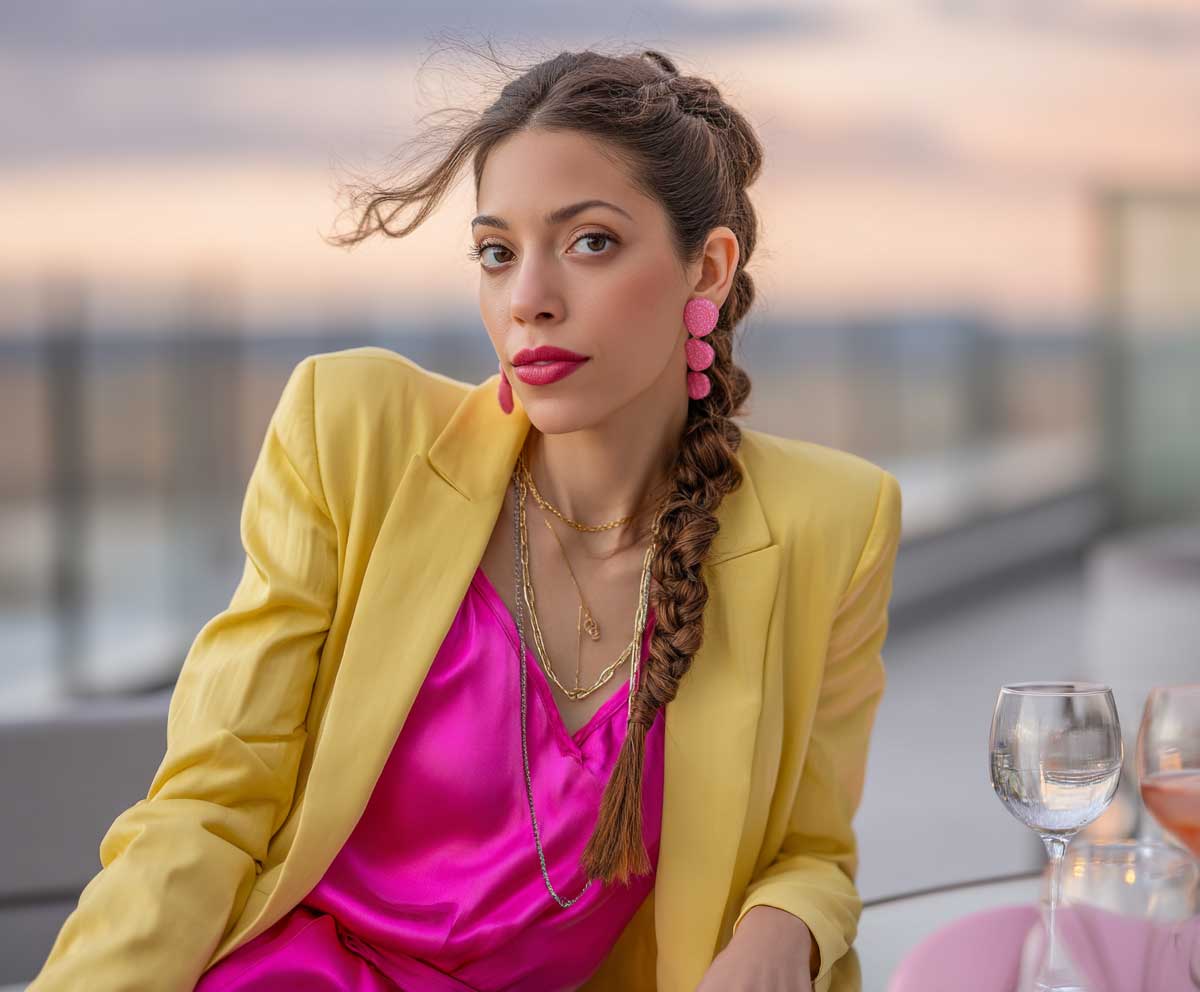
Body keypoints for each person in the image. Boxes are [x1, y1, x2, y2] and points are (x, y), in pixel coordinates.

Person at [29, 43, 901, 992]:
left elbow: (812, 850)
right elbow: (211, 800)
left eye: (590, 242)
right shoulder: (353, 435)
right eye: (497, 252)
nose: (528, 300)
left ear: (708, 267)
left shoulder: (834, 525)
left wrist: (783, 931)